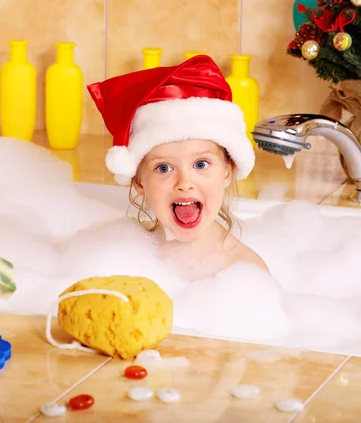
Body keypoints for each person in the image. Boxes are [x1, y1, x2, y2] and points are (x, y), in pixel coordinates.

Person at [87, 55, 268, 276]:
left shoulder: (246, 272)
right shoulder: (121, 256)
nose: (185, 183)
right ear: (139, 182)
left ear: (227, 171)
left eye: (201, 164)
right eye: (164, 168)